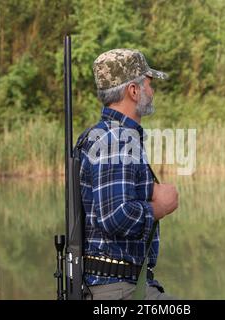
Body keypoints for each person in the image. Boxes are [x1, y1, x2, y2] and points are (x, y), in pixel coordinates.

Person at [76, 48, 179, 300]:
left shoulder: (104, 135)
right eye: (149, 84)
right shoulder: (116, 139)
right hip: (119, 289)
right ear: (133, 91)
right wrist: (160, 207)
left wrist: (149, 190)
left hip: (118, 285)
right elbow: (115, 215)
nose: (152, 92)